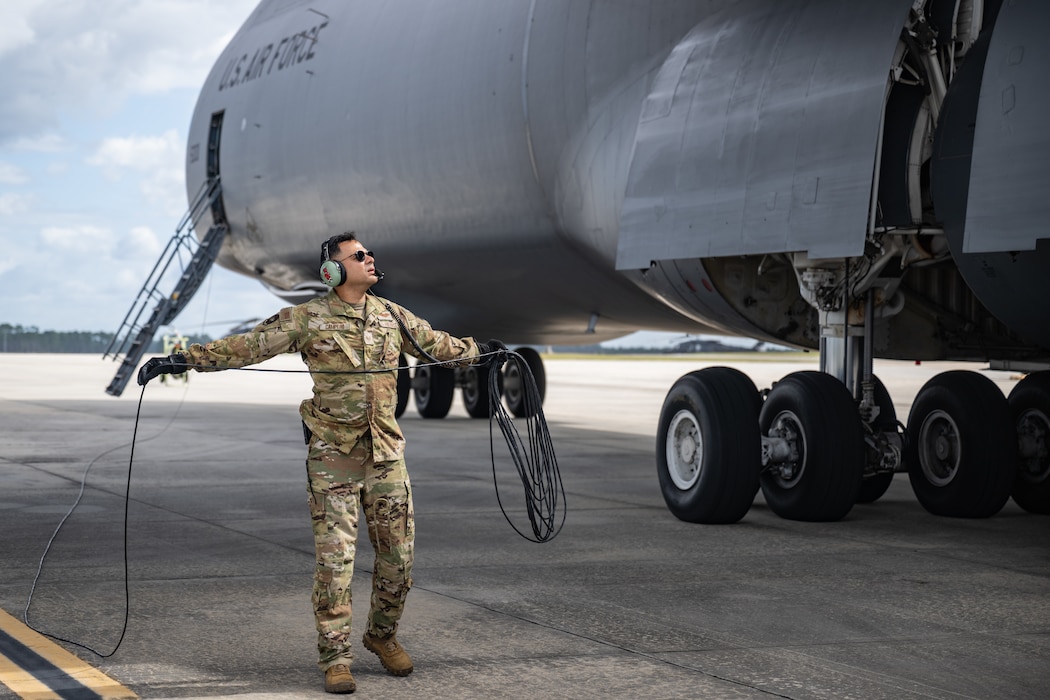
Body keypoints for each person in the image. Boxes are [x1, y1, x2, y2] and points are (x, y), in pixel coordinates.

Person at [137, 231, 506, 694]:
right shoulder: (307, 319)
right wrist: (181, 360)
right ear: (332, 270)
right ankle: (335, 658)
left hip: (386, 456)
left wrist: (487, 352)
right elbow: (249, 346)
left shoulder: (393, 316)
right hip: (333, 457)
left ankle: (382, 637)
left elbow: (440, 347)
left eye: (370, 253)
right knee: (336, 564)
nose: (370, 259)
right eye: (359, 255)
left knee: (399, 562)